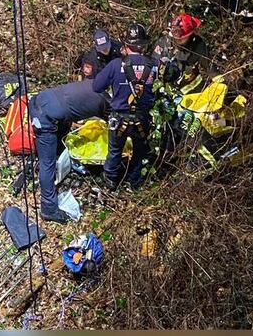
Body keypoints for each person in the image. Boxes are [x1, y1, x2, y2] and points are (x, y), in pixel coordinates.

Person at [30, 79, 110, 223]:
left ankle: (57, 164)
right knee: (47, 163)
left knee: (60, 140)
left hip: (44, 100)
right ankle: (48, 208)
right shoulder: (107, 103)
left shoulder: (95, 83)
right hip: (44, 117)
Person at [93, 23, 159, 190]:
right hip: (142, 119)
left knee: (114, 151)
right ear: (143, 45)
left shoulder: (115, 65)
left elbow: (96, 87)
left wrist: (112, 96)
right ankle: (134, 182)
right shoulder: (154, 65)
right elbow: (174, 74)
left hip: (118, 118)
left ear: (125, 45)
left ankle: (110, 182)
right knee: (139, 152)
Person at [151, 12, 212, 94]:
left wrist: (218, 80)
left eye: (182, 38)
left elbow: (209, 66)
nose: (178, 40)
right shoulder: (164, 43)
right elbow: (153, 67)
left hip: (188, 87)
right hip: (163, 87)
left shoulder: (198, 45)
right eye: (176, 38)